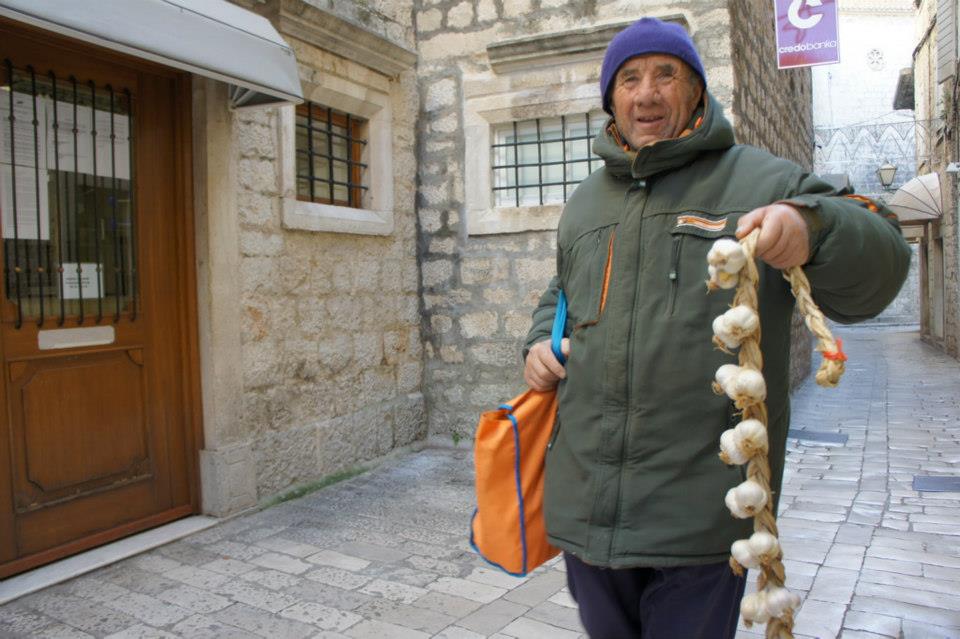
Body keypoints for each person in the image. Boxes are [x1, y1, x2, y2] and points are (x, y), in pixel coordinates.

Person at [522, 17, 910, 639]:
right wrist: (540, 341)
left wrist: (813, 228)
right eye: (630, 79)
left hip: (701, 514)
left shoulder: (762, 180)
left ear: (697, 93)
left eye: (665, 75)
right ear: (611, 100)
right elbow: (561, 292)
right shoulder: (587, 201)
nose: (647, 93)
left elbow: (884, 258)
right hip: (588, 509)